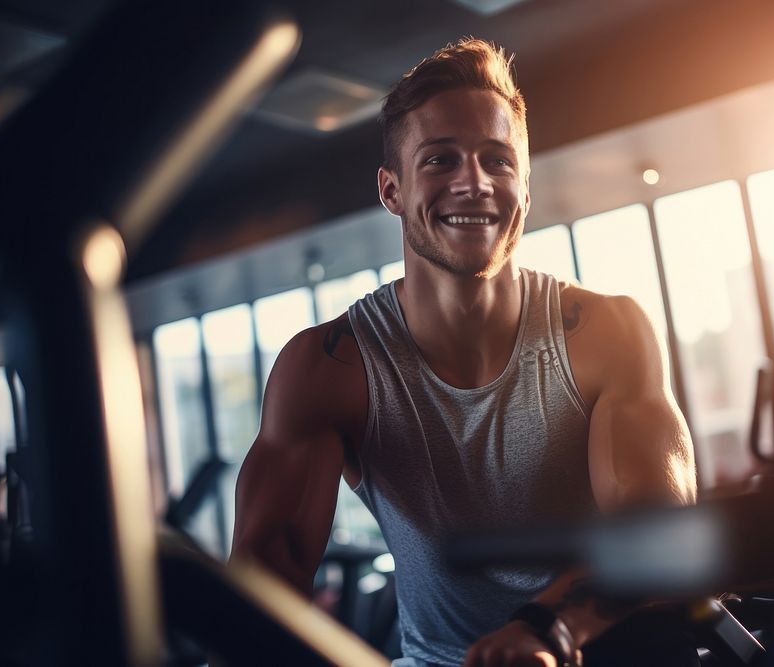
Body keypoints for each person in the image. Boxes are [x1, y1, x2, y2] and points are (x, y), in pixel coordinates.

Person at [231, 38, 697, 667]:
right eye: (440, 160)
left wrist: (546, 632)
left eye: (498, 162)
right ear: (392, 191)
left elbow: (657, 531)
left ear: (524, 192)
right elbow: (266, 576)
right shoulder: (330, 369)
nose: (474, 182)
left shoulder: (603, 333)